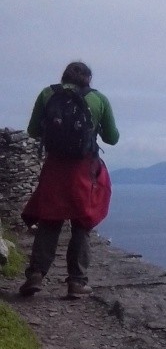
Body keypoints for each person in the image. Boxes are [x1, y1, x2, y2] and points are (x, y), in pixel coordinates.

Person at [19, 61, 120, 299]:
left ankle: (35, 275)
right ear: (88, 79)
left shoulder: (47, 93)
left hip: (54, 167)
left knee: (49, 221)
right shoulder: (99, 99)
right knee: (82, 224)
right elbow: (112, 138)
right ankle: (77, 282)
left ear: (63, 76)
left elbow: (33, 131)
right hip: (84, 170)